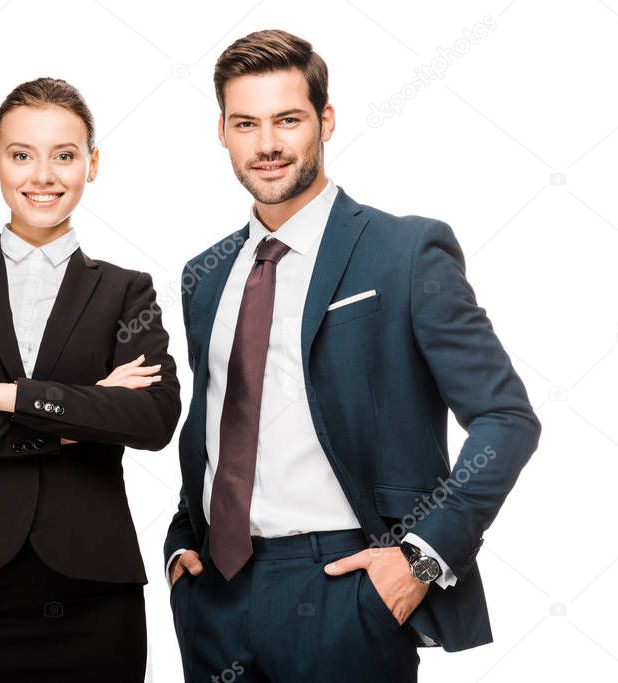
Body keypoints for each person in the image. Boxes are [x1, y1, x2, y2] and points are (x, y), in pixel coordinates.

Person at [163, 30, 541, 681]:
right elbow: (224, 419)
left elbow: (506, 418)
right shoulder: (205, 274)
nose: (268, 144)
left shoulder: (403, 253)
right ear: (221, 131)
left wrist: (419, 558)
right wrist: (180, 542)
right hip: (215, 599)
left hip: (344, 588)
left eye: (288, 119)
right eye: (245, 123)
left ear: (325, 120)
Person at [0, 76, 181, 682]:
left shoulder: (127, 289)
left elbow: (152, 420)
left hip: (93, 594)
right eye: (21, 155)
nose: (42, 176)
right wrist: (82, 416)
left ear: (92, 164)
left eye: (64, 155)